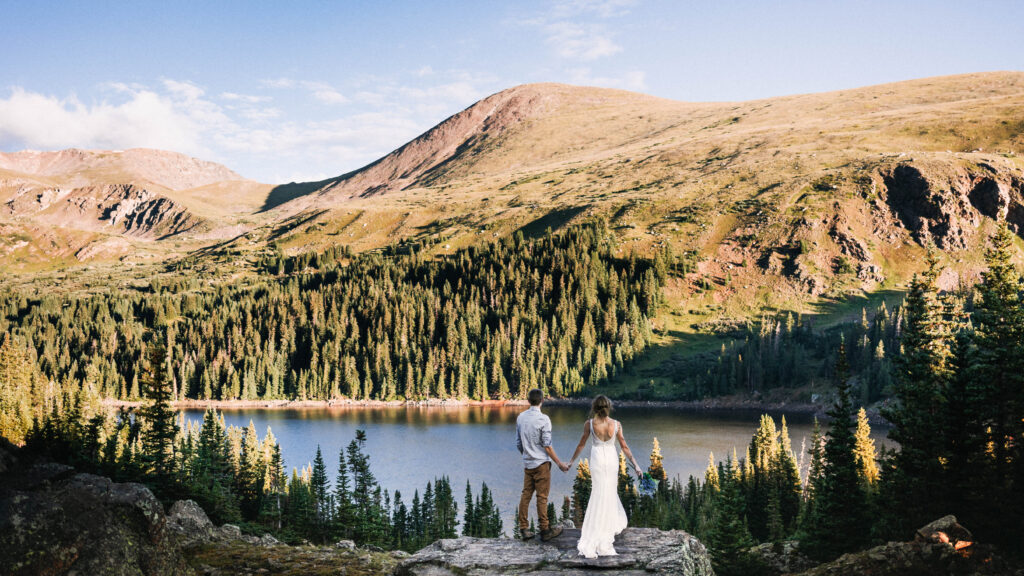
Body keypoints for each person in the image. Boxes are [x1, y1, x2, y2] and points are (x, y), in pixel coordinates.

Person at [568, 395, 642, 558]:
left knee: (598, 491)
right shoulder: (616, 424)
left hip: (598, 460)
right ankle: (607, 524)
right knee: (609, 491)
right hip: (611, 459)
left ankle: (598, 526)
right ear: (609, 407)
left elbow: (581, 444)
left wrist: (571, 462)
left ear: (594, 407)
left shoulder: (589, 424)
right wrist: (636, 465)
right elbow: (624, 446)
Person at [516, 388, 570, 541]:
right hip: (541, 464)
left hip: (528, 464)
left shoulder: (520, 418)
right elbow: (547, 445)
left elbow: (518, 443)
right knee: (542, 497)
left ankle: (524, 528)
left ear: (528, 401)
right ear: (542, 401)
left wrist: (527, 455)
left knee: (526, 495)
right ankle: (545, 530)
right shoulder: (544, 419)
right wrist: (560, 464)